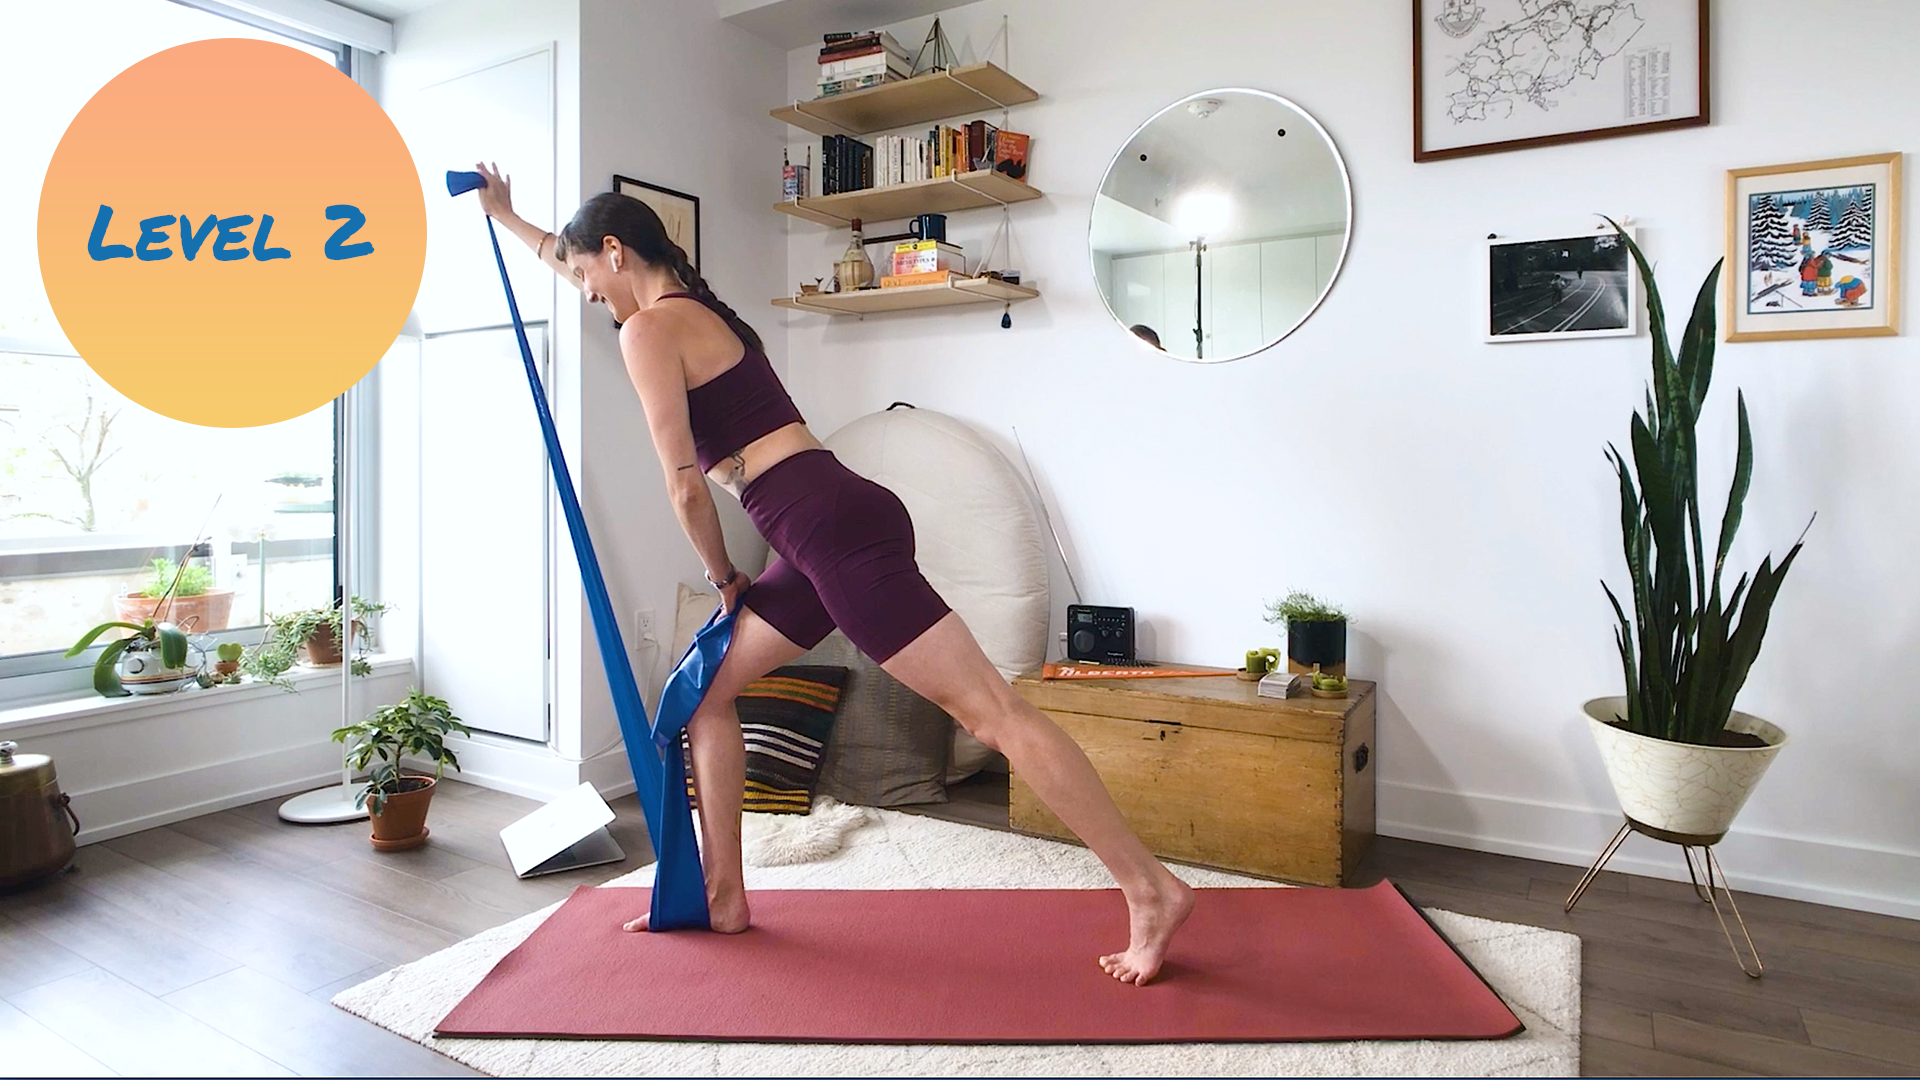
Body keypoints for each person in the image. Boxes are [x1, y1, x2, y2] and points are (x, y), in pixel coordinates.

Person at [471, 163, 1194, 985]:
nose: (588, 296)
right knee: (698, 693)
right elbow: (571, 263)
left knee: (992, 712)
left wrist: (722, 576)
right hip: (824, 522)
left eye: (587, 277)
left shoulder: (650, 329)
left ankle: (1150, 889)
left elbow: (682, 482)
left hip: (824, 529)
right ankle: (724, 899)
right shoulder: (693, 309)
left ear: (614, 251)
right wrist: (509, 218)